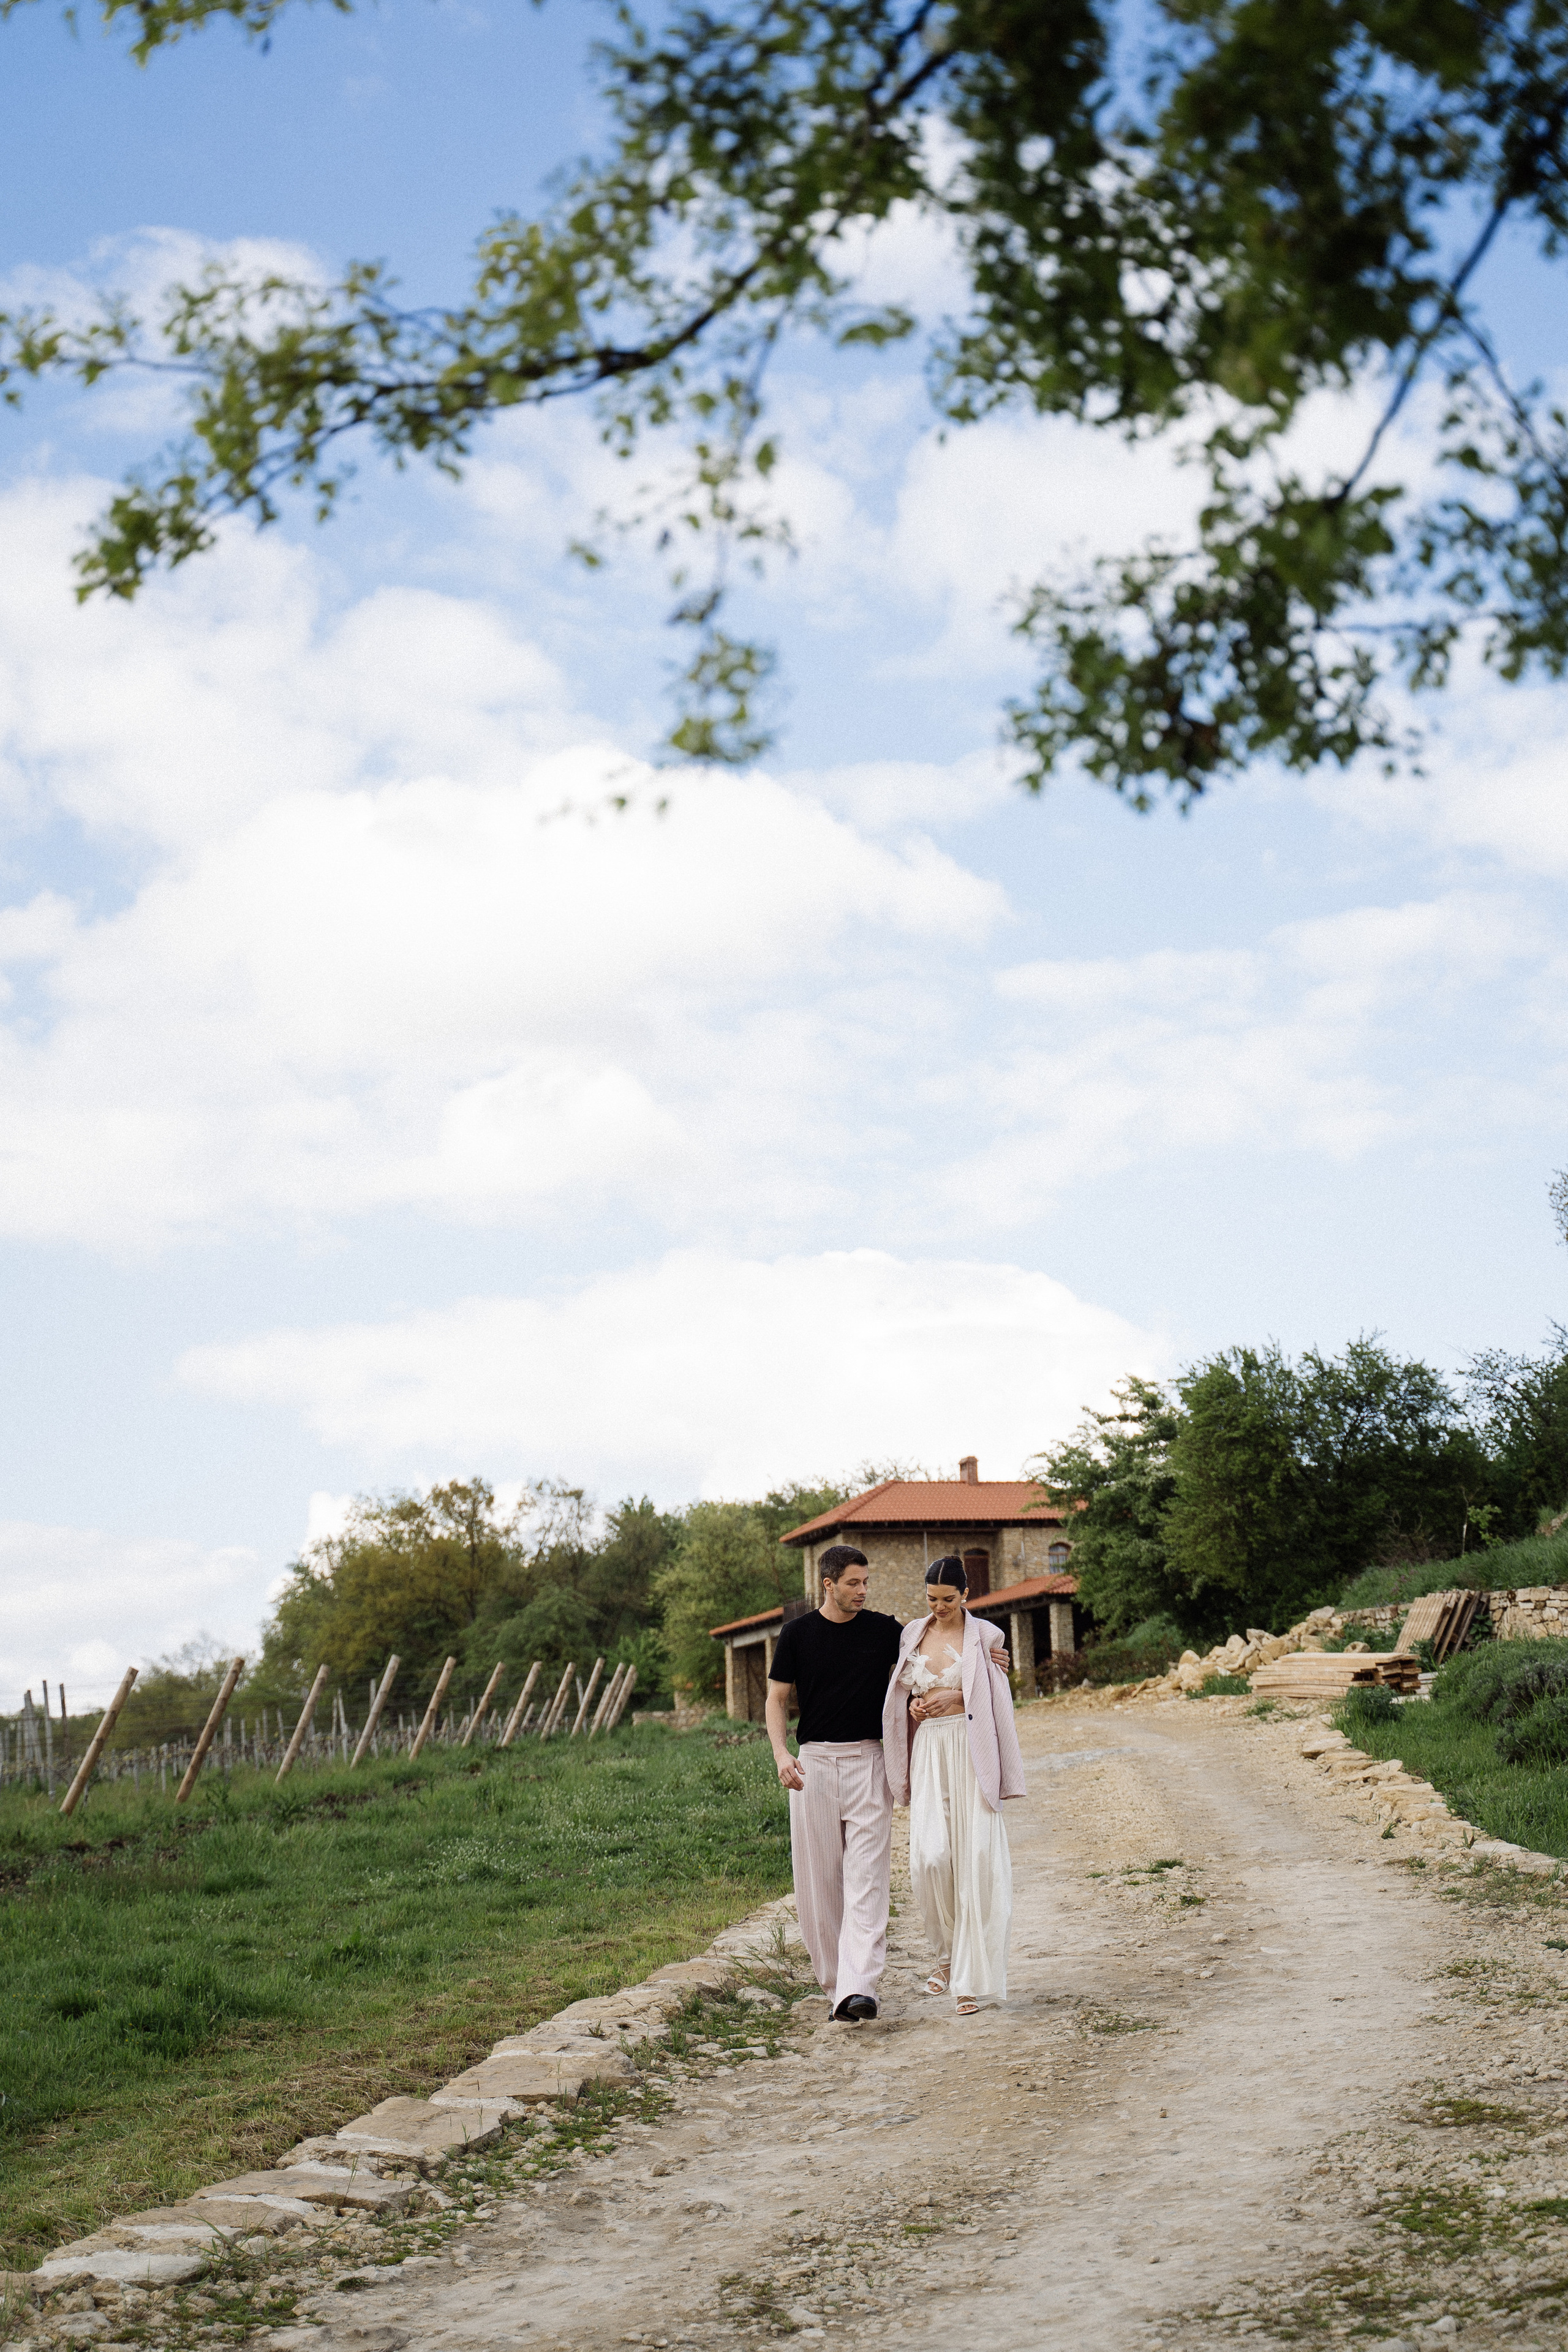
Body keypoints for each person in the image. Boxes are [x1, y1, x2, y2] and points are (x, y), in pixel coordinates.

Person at [882, 1555, 1025, 2016]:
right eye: (931, 1599)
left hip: (970, 1746)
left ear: (966, 1595)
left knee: (976, 1861)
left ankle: (968, 1979)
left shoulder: (987, 1636)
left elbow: (996, 1692)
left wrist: (959, 1695)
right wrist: (915, 1709)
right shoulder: (911, 1634)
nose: (939, 1607)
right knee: (930, 1857)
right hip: (930, 1752)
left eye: (948, 1599)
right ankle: (943, 1955)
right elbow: (903, 1692)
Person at [765, 1544, 903, 2022]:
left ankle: (859, 1985)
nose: (863, 1591)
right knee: (819, 1884)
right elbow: (777, 1699)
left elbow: (932, 1645)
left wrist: (987, 1648)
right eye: (853, 1583)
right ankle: (836, 1988)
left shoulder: (886, 1631)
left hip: (870, 1761)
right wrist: (783, 1754)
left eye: (866, 1582)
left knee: (867, 1879)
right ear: (829, 1583)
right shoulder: (796, 1635)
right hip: (814, 1767)